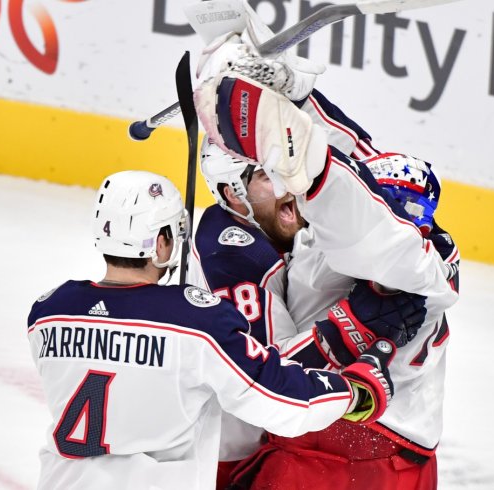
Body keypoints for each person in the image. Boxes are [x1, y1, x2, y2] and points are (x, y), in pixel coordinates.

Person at [189, 39, 460, 488]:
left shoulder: (348, 239)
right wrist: (299, 98)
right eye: (265, 174)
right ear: (231, 192)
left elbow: (351, 187)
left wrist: (297, 100)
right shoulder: (235, 249)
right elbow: (359, 172)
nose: (284, 185)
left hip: (332, 447)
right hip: (387, 459)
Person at [26, 170, 399, 490]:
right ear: (162, 242)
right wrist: (354, 393)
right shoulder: (194, 322)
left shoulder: (47, 314)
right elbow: (277, 398)